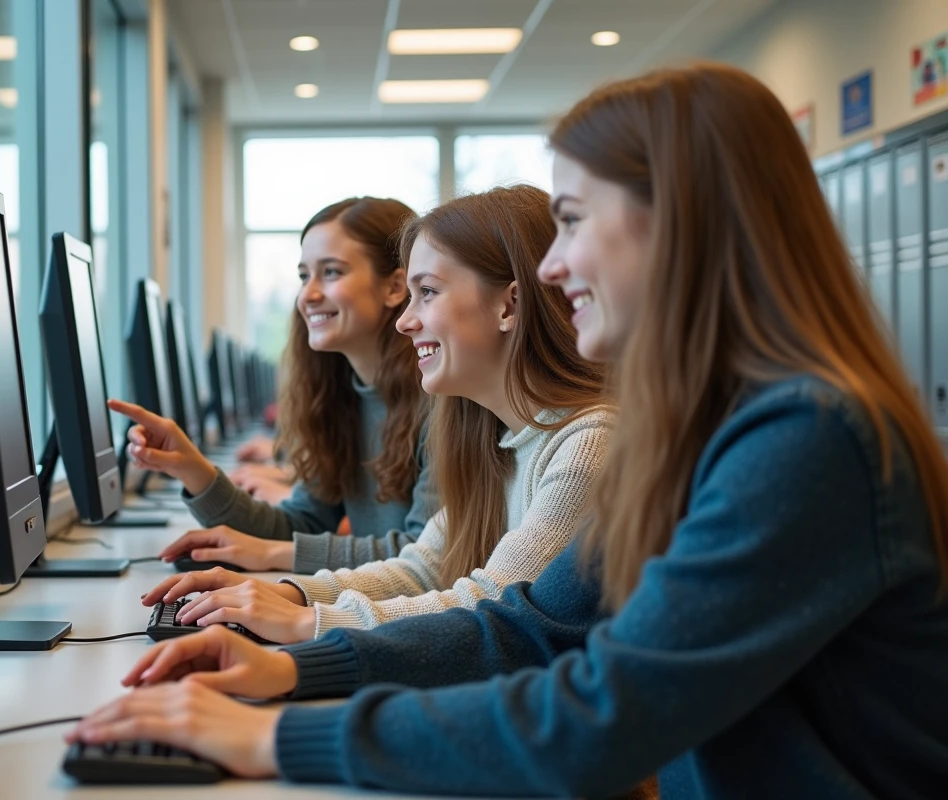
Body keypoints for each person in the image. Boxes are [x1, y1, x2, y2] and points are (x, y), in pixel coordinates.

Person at [69, 63, 948, 798]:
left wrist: (275, 738)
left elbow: (598, 715)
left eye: (572, 221)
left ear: (678, 221)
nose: (554, 267)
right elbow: (531, 626)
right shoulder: (696, 434)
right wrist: (299, 667)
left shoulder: (806, 440)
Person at [138, 186, 612, 645]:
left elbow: (494, 611)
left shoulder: (587, 444)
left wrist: (308, 620)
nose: (406, 320)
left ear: (509, 305)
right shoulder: (490, 435)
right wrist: (286, 594)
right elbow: (422, 567)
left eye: (428, 292)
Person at [109, 197, 436, 574]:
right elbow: (299, 525)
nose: (308, 295)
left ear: (394, 286)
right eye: (304, 276)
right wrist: (193, 470)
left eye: (331, 272)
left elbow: (423, 555)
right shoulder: (338, 398)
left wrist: (272, 555)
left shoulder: (440, 401)